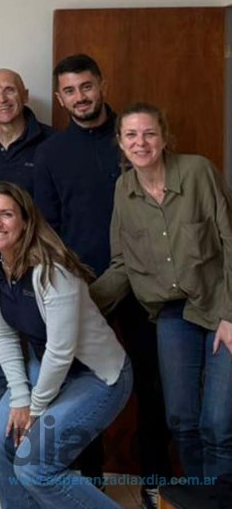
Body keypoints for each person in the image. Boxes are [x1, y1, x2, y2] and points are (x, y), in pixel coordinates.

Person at [35, 54, 171, 505]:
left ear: (102, 84)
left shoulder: (133, 136)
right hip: (85, 288)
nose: (80, 97)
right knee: (84, 386)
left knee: (153, 383)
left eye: (87, 86)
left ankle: (156, 483)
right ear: (60, 98)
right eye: (70, 91)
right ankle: (90, 480)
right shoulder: (52, 152)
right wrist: (70, 284)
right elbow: (48, 228)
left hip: (148, 283)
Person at [90, 103, 232, 480]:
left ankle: (220, 499)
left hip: (220, 305)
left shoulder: (198, 171)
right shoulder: (124, 189)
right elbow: (122, 265)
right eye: (131, 135)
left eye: (149, 133)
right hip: (172, 315)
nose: (141, 142)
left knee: (218, 423)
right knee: (181, 420)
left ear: (164, 137)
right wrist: (79, 306)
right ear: (120, 143)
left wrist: (231, 314)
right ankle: (200, 497)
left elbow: (231, 242)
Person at [0, 182, 132, 508]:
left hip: (97, 377)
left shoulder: (52, 271)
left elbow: (61, 349)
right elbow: (2, 336)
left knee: (34, 466)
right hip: (47, 369)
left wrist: (33, 408)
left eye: (6, 214)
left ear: (26, 221)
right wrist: (18, 395)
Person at [0, 69, 53, 411]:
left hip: (39, 266)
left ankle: (43, 440)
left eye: (9, 91)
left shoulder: (51, 141)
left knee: (43, 355)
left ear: (26, 94)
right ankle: (11, 441)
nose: (2, 99)